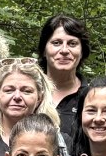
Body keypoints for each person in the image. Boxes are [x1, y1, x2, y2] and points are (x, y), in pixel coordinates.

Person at [36, 15, 91, 145]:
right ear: (44, 50)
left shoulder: (91, 96)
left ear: (82, 51)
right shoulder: (27, 92)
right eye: (56, 43)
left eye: (72, 43)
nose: (64, 50)